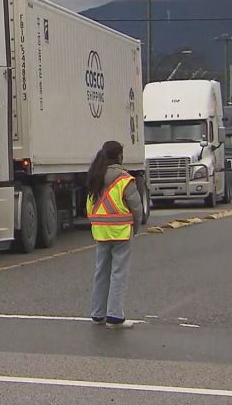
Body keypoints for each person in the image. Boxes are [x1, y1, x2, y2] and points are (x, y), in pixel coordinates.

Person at [86, 140, 143, 329]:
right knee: (119, 273)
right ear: (119, 156)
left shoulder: (95, 176)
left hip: (101, 232)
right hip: (120, 232)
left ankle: (97, 313)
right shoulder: (124, 178)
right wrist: (136, 227)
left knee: (101, 272)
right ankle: (115, 316)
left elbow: (89, 205)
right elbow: (136, 206)